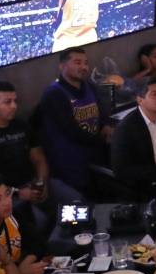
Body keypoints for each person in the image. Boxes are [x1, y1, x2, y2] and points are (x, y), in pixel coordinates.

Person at [0, 79, 59, 237]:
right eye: (7, 102)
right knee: (40, 223)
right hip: (7, 195)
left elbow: (39, 158)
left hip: (33, 184)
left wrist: (41, 181)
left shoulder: (22, 126)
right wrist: (16, 193)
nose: (14, 106)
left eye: (15, 101)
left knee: (73, 201)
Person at [34, 47, 111, 196]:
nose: (83, 67)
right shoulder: (54, 94)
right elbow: (70, 131)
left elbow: (102, 112)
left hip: (92, 157)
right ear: (62, 66)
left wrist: (106, 125)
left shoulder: (89, 86)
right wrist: (102, 140)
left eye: (86, 63)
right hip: (69, 164)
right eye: (77, 62)